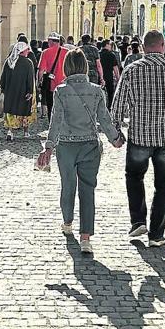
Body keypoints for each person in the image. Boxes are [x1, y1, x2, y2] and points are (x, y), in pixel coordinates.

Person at [111, 31, 165, 248]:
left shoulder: (131, 71)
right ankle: (157, 234)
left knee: (134, 176)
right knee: (164, 185)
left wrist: (117, 132)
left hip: (140, 136)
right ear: (162, 46)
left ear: (143, 46)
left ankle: (138, 220)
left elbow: (118, 105)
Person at [39, 49, 124, 255]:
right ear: (85, 67)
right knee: (88, 191)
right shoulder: (97, 91)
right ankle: (86, 238)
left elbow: (56, 121)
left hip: (67, 147)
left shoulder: (60, 91)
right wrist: (115, 139)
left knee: (68, 186)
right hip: (89, 145)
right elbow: (104, 119)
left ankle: (67, 222)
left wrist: (49, 147)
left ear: (66, 68)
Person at [0, 41, 37, 141]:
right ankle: (26, 132)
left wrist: (3, 88)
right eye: (26, 50)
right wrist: (30, 91)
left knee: (11, 112)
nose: (28, 51)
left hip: (10, 92)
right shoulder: (28, 62)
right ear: (22, 51)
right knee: (25, 112)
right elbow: (30, 78)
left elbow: (3, 77)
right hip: (23, 91)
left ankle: (10, 131)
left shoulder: (8, 61)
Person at [38, 33, 69, 121]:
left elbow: (41, 70)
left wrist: (39, 82)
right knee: (64, 105)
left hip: (51, 85)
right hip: (65, 84)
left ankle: (52, 123)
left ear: (51, 41)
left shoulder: (45, 52)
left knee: (51, 106)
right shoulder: (67, 52)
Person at [99, 39, 122, 110]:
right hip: (109, 76)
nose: (111, 46)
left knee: (99, 92)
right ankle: (109, 107)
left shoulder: (98, 54)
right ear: (106, 45)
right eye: (110, 44)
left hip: (100, 76)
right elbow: (115, 68)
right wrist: (118, 78)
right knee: (110, 93)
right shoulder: (111, 55)